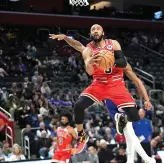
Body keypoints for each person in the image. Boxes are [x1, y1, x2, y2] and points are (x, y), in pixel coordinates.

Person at [49, 31, 155, 163]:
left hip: (117, 91)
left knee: (131, 129)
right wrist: (66, 39)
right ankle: (141, 158)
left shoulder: (121, 63)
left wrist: (147, 99)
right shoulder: (93, 54)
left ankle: (136, 158)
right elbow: (79, 47)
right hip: (102, 88)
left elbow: (138, 81)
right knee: (128, 131)